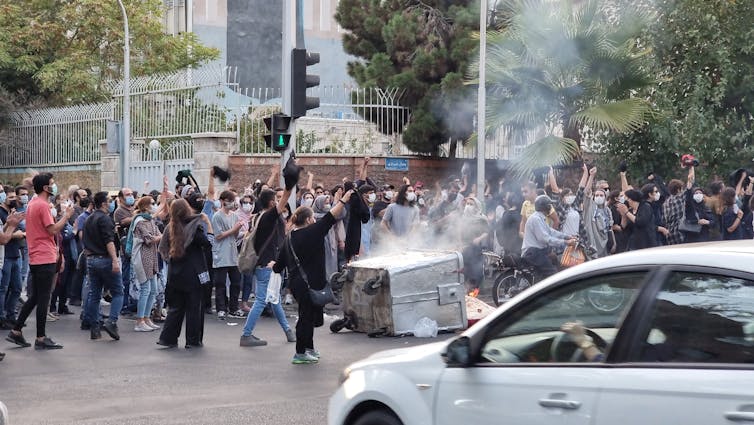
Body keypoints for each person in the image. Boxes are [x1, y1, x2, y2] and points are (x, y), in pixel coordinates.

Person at [271, 188, 355, 364]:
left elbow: (279, 266)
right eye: (313, 218)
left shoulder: (289, 238)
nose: (315, 220)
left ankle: (309, 348)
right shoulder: (313, 232)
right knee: (305, 319)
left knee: (309, 317)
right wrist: (344, 200)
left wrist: (273, 265)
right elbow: (331, 216)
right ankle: (300, 353)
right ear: (309, 220)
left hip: (299, 284)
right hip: (308, 284)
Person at [7, 173, 70, 350]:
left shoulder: (34, 203)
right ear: (45, 188)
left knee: (35, 296)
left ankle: (17, 330)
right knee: (43, 297)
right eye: (52, 184)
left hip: (37, 255)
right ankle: (40, 338)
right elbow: (52, 230)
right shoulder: (41, 205)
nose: (54, 186)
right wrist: (66, 216)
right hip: (44, 256)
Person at [239, 183, 296, 347]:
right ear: (272, 203)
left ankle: (288, 331)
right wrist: (290, 182)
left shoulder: (260, 216)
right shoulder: (267, 217)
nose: (279, 202)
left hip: (267, 263)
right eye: (276, 200)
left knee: (275, 298)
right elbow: (285, 198)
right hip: (266, 264)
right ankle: (246, 334)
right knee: (262, 300)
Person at [157, 198, 213, 348]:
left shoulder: (170, 227)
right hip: (194, 273)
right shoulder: (195, 226)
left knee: (175, 308)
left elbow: (163, 249)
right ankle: (193, 340)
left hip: (175, 273)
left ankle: (167, 338)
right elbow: (208, 244)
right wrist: (208, 225)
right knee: (194, 308)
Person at [82, 191, 124, 341]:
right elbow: (109, 241)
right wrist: (114, 260)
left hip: (92, 259)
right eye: (109, 200)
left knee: (94, 294)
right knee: (118, 292)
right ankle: (112, 322)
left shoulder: (88, 219)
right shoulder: (105, 219)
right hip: (105, 259)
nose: (112, 202)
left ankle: (95, 327)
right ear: (104, 203)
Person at [521, 195, 577, 282]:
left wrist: (567, 236)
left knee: (555, 259)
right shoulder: (536, 219)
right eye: (549, 206)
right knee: (553, 275)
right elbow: (545, 239)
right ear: (545, 207)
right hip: (533, 252)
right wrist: (566, 242)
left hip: (538, 251)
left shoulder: (540, 218)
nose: (551, 208)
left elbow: (551, 231)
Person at [130, 196, 162, 332]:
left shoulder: (150, 220)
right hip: (142, 257)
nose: (155, 206)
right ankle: (139, 321)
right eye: (152, 203)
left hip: (152, 257)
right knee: (145, 289)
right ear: (146, 206)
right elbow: (150, 239)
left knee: (153, 289)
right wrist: (160, 236)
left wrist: (159, 237)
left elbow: (157, 235)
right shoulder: (140, 221)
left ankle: (147, 318)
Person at [211, 190, 245, 319]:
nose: (231, 203)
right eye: (229, 201)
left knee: (236, 282)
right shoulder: (217, 216)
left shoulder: (234, 216)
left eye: (232, 201)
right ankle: (221, 308)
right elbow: (218, 236)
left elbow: (236, 235)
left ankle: (234, 307)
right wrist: (234, 229)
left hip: (233, 252)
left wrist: (241, 231)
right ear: (222, 201)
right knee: (220, 283)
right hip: (221, 252)